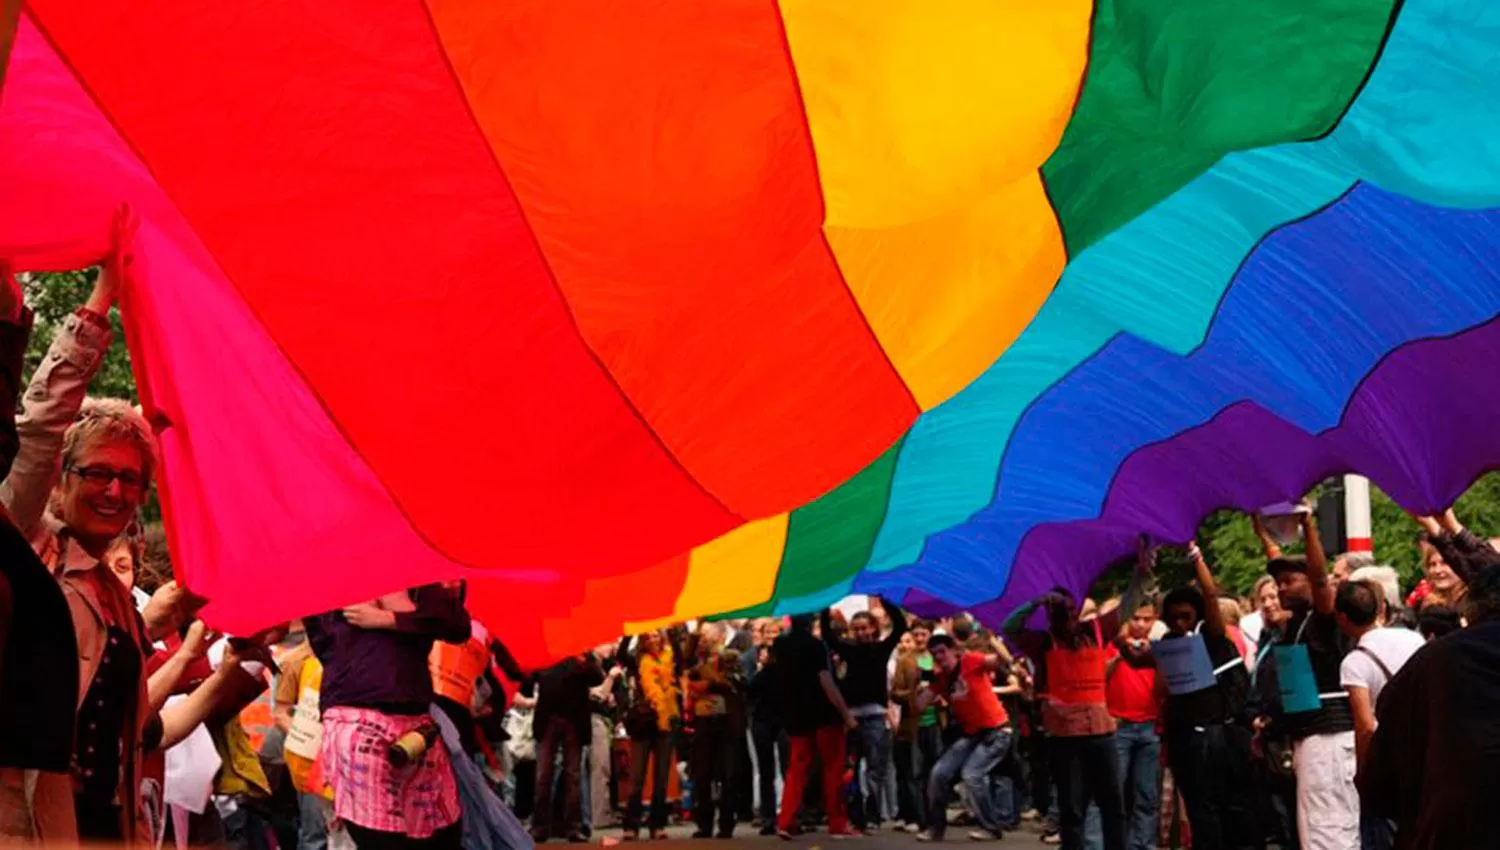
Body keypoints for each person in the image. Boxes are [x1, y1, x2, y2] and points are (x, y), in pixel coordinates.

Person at [1004, 540, 1153, 850]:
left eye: (1071, 609)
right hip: (1064, 736)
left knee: (1112, 803)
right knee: (1072, 807)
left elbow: (1130, 602)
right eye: (1060, 611)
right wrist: (1036, 602)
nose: (1068, 615)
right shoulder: (1043, 642)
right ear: (1050, 615)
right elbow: (1009, 627)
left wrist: (1142, 570)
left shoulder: (1096, 630)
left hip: (1100, 731)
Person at [304, 584, 472, 850]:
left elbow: (458, 626)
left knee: (443, 832)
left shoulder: (417, 581)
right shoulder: (328, 583)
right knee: (381, 837)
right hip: (356, 717)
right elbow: (321, 640)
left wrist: (390, 619)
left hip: (416, 723)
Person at [1359, 563, 1500, 849]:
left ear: (1471, 610)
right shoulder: (1435, 661)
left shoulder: (1435, 661)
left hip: (1456, 827)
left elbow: (1383, 776)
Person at [1262, 511, 1358, 850]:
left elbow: (1319, 578)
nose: (1281, 589)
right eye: (1278, 583)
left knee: (1329, 828)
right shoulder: (1293, 626)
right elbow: (1277, 558)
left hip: (1329, 735)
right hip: (1306, 735)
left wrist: (1308, 526)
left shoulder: (1323, 621)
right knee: (1312, 828)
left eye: (1290, 581)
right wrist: (1263, 532)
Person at [1156, 543, 1261, 850]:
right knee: (1200, 812)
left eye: (1185, 616)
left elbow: (1211, 595)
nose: (1179, 623)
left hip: (1220, 738)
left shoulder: (1211, 637)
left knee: (1232, 809)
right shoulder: (1168, 643)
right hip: (1187, 739)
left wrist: (1196, 558)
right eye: (1173, 618)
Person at [1335, 580, 1422, 850]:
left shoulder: (1355, 662)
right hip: (1422, 751)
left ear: (1342, 618)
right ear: (1379, 608)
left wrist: (1364, 773)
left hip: (1389, 760)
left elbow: (1365, 725)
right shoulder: (1413, 638)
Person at [915, 633, 1013, 842]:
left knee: (972, 774)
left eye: (942, 652)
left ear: (953, 651)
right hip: (972, 734)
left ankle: (991, 827)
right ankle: (936, 829)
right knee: (938, 774)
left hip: (996, 731)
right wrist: (919, 681)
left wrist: (993, 638)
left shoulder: (970, 661)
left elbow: (1003, 661)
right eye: (934, 654)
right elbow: (920, 705)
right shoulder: (941, 679)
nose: (939, 657)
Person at [820, 599, 907, 831]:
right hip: (852, 717)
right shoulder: (848, 649)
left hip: (876, 716)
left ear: (873, 628)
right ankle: (856, 814)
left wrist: (884, 597)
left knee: (875, 769)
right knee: (851, 768)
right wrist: (825, 605)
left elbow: (900, 626)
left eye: (865, 628)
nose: (861, 632)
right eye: (856, 629)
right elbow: (828, 635)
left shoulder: (882, 648)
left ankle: (873, 814)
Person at [772, 613, 858, 840]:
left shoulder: (780, 645)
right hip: (823, 713)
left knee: (796, 769)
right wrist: (845, 714)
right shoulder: (815, 646)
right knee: (833, 768)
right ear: (811, 622)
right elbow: (825, 680)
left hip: (795, 714)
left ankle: (786, 820)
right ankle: (837, 823)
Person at [526, 649, 605, 843]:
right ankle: (540, 826)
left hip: (574, 720)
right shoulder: (545, 651)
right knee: (543, 775)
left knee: (573, 776)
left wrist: (585, 662)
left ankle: (573, 827)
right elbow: (529, 680)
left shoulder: (582, 651)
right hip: (548, 718)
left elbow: (597, 678)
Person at [1105, 599, 1159, 850]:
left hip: (1150, 725)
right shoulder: (1112, 646)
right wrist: (1119, 654)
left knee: (1146, 794)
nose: (1140, 624)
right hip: (1120, 726)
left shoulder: (1158, 648)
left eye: (1147, 619)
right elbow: (1100, 677)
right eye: (1135, 618)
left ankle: (1143, 844)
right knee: (1115, 792)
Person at [622, 631, 677, 841]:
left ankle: (657, 824)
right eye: (648, 637)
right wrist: (628, 632)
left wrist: (676, 631)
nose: (653, 640)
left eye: (656, 636)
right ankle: (631, 825)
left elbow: (684, 656)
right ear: (643, 641)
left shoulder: (671, 658)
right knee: (636, 777)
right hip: (643, 724)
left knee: (661, 777)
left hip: (665, 724)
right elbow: (620, 655)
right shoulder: (637, 661)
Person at [891, 618, 943, 834]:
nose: (920, 639)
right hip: (914, 723)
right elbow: (895, 692)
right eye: (916, 635)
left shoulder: (937, 659)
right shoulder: (905, 661)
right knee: (915, 772)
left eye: (924, 634)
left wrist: (941, 698)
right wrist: (913, 691)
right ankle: (919, 818)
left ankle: (934, 816)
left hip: (935, 722)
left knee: (936, 772)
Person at [748, 628, 787, 836]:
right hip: (766, 721)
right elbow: (750, 693)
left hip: (778, 721)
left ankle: (783, 816)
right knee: (769, 771)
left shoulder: (782, 673)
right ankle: (771, 817)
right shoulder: (763, 674)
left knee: (780, 770)